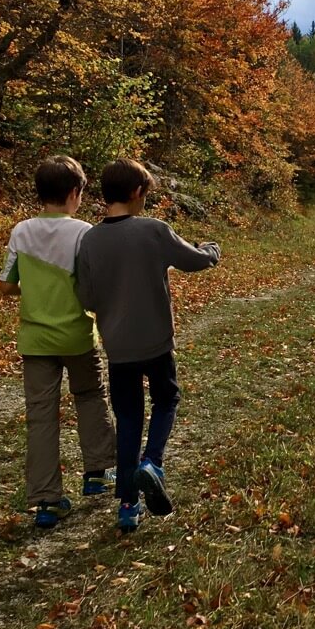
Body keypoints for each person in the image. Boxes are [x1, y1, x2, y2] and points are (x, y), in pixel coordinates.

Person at [76, 159, 220, 534]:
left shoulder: (89, 240)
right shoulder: (154, 231)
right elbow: (193, 260)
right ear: (138, 193)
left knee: (127, 418)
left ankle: (127, 504)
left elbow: (86, 297)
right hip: (155, 343)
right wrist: (211, 251)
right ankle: (152, 463)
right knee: (167, 399)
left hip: (118, 348)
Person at [0, 155, 116, 529]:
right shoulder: (84, 232)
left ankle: (47, 500)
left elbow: (5, 286)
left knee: (40, 415)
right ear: (73, 193)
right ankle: (98, 472)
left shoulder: (21, 231)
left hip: (34, 338)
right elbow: (95, 285)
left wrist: (33, 289)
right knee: (91, 395)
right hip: (78, 334)